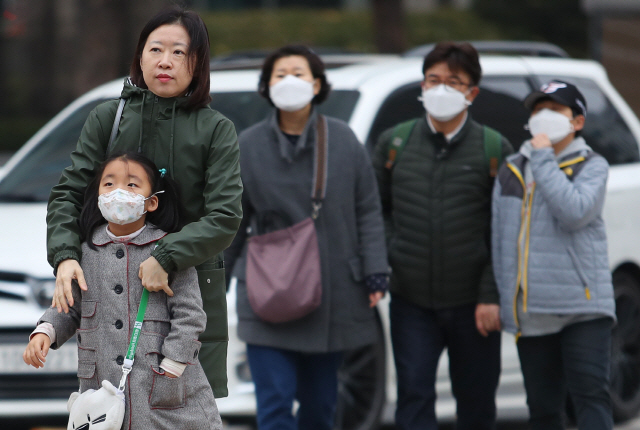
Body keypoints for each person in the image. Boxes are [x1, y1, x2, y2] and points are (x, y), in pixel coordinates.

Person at [45, 7, 242, 397]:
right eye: (155, 49)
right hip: (107, 281)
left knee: (181, 404)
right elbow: (69, 193)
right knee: (111, 401)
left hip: (185, 288)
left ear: (197, 62)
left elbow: (224, 215)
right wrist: (65, 255)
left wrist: (166, 256)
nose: (164, 61)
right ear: (140, 56)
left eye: (179, 52)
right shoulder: (108, 118)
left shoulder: (215, 129)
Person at [224, 45, 389, 430]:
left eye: (299, 73)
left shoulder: (344, 141)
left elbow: (368, 208)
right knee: (275, 404)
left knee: (320, 407)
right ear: (267, 86)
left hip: (332, 294)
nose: (289, 82)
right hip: (265, 293)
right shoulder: (246, 146)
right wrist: (214, 283)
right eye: (280, 75)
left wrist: (375, 269)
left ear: (317, 84)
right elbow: (232, 220)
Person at [372, 41, 513, 430]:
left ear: (472, 93)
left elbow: (505, 229)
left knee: (477, 400)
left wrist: (490, 295)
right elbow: (373, 210)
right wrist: (392, 253)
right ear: (421, 86)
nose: (441, 89)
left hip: (474, 304)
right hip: (411, 300)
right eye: (433, 79)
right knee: (414, 397)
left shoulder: (493, 148)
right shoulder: (394, 143)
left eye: (454, 82)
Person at [25, 152, 222, 429]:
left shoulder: (169, 252)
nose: (118, 192)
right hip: (102, 387)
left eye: (131, 185)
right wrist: (45, 330)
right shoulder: (85, 253)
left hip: (164, 388)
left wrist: (173, 366)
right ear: (97, 196)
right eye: (109, 184)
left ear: (151, 201)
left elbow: (190, 314)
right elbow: (70, 306)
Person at [492, 80, 616, 430]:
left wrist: (544, 156)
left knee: (590, 399)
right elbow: (500, 237)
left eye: (555, 110)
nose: (544, 117)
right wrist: (503, 300)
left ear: (577, 121)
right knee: (543, 412)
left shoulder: (592, 165)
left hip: (583, 308)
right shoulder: (512, 169)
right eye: (537, 110)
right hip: (532, 313)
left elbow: (574, 211)